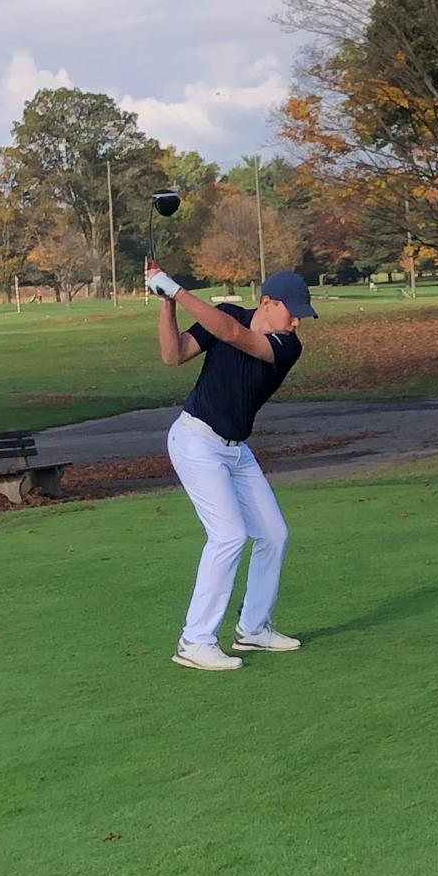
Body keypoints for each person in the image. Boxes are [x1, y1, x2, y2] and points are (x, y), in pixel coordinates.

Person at [145, 258, 315, 671]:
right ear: (268, 301)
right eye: (291, 312)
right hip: (195, 441)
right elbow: (175, 354)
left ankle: (253, 628)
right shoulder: (230, 316)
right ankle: (195, 640)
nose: (296, 322)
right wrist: (166, 301)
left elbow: (233, 334)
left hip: (235, 450)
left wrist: (178, 288)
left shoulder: (285, 346)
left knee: (274, 533)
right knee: (229, 536)